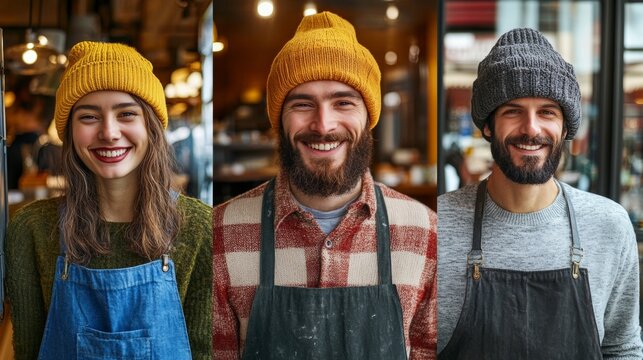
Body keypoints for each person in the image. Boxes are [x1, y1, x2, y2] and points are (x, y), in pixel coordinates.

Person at [213, 11, 437, 360]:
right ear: (279, 120)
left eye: (343, 102)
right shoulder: (220, 234)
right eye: (303, 104)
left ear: (368, 116)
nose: (323, 124)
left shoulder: (426, 234)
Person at [437, 28, 642, 359]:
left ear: (565, 128)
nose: (531, 128)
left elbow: (622, 349)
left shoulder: (609, 226)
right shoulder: (437, 225)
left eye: (547, 111)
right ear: (488, 126)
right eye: (513, 111)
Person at [6, 41, 212, 359]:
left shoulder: (201, 228)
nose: (109, 132)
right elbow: (28, 352)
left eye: (126, 114)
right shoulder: (31, 229)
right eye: (89, 117)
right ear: (70, 132)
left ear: (152, 127)